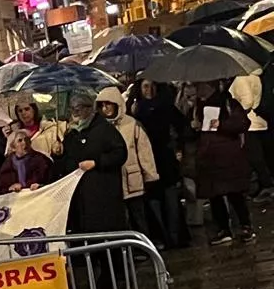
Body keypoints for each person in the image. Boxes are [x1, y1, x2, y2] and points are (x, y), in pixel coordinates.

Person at [192, 79, 256, 244]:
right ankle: (224, 228)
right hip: (209, 158)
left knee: (234, 193)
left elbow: (242, 123)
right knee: (215, 196)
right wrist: (194, 126)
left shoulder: (228, 103)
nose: (196, 89)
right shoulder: (197, 107)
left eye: (199, 85)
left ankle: (245, 226)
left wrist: (221, 124)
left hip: (227, 156)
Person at [58, 91, 130, 235]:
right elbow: (65, 163)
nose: (75, 112)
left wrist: (96, 162)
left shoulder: (105, 129)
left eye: (78, 108)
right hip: (80, 198)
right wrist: (58, 153)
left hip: (103, 194)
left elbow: (120, 154)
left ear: (89, 108)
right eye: (72, 109)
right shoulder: (72, 135)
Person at [131, 79, 191, 247]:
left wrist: (177, 146)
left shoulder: (166, 107)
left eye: (153, 86)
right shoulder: (136, 111)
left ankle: (175, 237)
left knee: (171, 200)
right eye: (145, 86)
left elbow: (182, 126)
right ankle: (162, 237)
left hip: (165, 159)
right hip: (147, 161)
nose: (149, 90)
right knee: (153, 202)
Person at [97, 86, 161, 236]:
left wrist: (150, 176)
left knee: (139, 218)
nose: (105, 108)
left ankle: (145, 244)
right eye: (102, 105)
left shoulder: (132, 124)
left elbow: (144, 151)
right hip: (112, 182)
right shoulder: (100, 128)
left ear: (117, 104)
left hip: (133, 181)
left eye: (108, 104)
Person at [231, 69, 274, 201]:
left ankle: (266, 185)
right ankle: (263, 184)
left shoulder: (241, 78)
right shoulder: (255, 76)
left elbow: (247, 101)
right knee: (260, 155)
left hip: (250, 122)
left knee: (254, 156)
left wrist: (237, 114)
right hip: (259, 120)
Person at [0, 129, 55, 194]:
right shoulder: (8, 163)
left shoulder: (41, 159)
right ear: (13, 147)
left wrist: (40, 186)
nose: (24, 143)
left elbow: (52, 181)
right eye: (20, 141)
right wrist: (9, 188)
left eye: (26, 139)